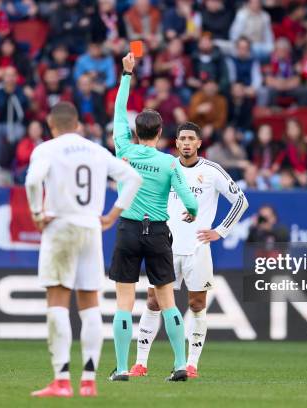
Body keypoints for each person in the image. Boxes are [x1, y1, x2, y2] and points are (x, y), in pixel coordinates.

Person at [26, 102, 142, 398]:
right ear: (77, 124)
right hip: (91, 226)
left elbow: (32, 180)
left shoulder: (47, 149)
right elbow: (132, 178)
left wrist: (37, 214)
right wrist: (112, 215)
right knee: (90, 305)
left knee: (57, 301)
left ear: (52, 126)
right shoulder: (96, 150)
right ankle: (89, 380)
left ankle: (62, 380)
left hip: (61, 226)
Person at [129, 121, 249, 379]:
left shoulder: (212, 171)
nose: (185, 142)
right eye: (182, 138)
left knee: (196, 304)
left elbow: (240, 200)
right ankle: (140, 363)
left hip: (198, 249)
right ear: (176, 142)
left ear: (198, 143)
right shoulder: (167, 166)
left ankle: (191, 364)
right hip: (165, 246)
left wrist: (221, 230)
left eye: (190, 138)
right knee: (153, 301)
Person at [109, 53, 198, 382]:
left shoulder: (124, 150)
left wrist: (126, 75)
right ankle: (179, 364)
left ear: (135, 131)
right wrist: (193, 212)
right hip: (158, 232)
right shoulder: (170, 162)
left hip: (129, 229)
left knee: (124, 301)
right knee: (167, 300)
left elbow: (119, 113)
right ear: (160, 132)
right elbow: (188, 199)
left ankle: (121, 368)